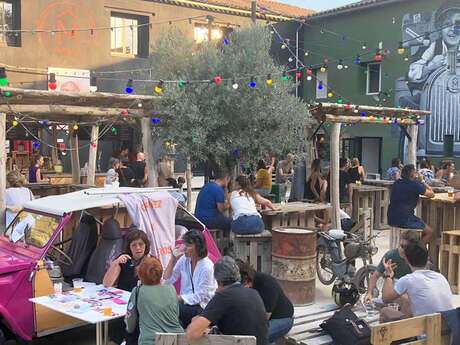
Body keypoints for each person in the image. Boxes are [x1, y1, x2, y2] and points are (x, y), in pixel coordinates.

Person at [186, 256, 269, 345]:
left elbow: (192, 333)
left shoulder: (223, 296)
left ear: (218, 281)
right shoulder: (254, 293)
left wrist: (196, 321)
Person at [381, 242, 453, 320]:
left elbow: (385, 298)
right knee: (404, 301)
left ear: (407, 260)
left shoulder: (408, 280)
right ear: (427, 259)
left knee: (385, 311)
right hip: (449, 325)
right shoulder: (440, 277)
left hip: (426, 328)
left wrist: (388, 275)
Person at [103, 230, 150, 345]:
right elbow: (106, 283)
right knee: (115, 337)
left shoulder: (151, 262)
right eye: (134, 245)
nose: (138, 248)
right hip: (122, 305)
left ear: (146, 245)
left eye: (141, 244)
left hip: (140, 306)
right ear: (129, 247)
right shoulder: (124, 260)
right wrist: (115, 263)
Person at [163, 230, 217, 328]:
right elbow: (167, 280)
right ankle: (180, 332)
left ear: (198, 247)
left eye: (188, 245)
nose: (184, 249)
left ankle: (180, 334)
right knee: (165, 308)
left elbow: (199, 297)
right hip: (187, 304)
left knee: (170, 308)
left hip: (203, 307)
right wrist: (172, 259)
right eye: (184, 245)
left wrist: (178, 297)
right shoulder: (185, 259)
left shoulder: (207, 266)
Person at [125, 257, 184, 345]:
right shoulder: (171, 288)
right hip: (177, 339)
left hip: (151, 341)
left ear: (140, 275)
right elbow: (176, 315)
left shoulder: (137, 291)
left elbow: (130, 324)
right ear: (160, 273)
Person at [364, 231, 421, 318]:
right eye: (400, 245)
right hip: (395, 292)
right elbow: (375, 276)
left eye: (405, 247)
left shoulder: (418, 258)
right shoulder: (391, 255)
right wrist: (369, 293)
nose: (401, 249)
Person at [236, 260, 293, 343]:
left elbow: (265, 318)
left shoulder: (266, 283)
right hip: (261, 318)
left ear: (247, 280)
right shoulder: (247, 285)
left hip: (282, 318)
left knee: (258, 339)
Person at [387, 164, 435, 244]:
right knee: (430, 232)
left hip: (391, 218)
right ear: (413, 174)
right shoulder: (415, 185)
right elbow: (432, 194)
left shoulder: (396, 183)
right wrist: (422, 181)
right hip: (405, 219)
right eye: (416, 172)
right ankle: (415, 251)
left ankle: (411, 248)